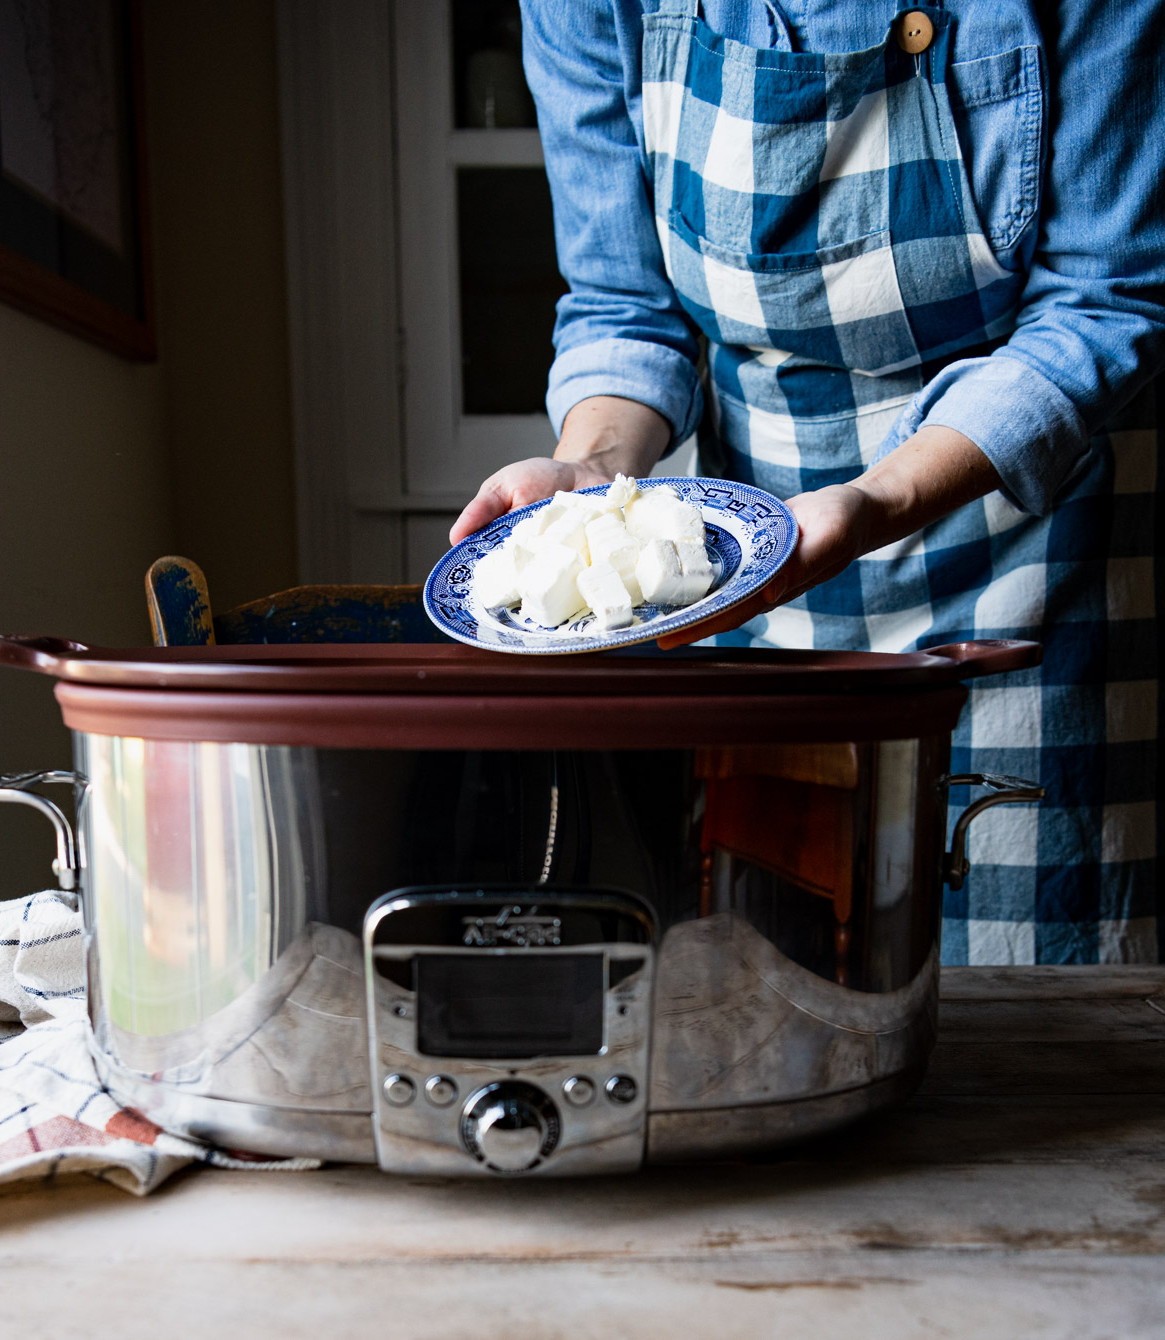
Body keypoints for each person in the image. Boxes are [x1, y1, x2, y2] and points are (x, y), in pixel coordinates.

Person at [449, 0, 1165, 965]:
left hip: (1046, 573)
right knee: (787, 996)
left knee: (1042, 1039)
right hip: (759, 583)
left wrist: (878, 500)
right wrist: (591, 470)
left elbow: (1104, 297)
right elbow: (626, 305)